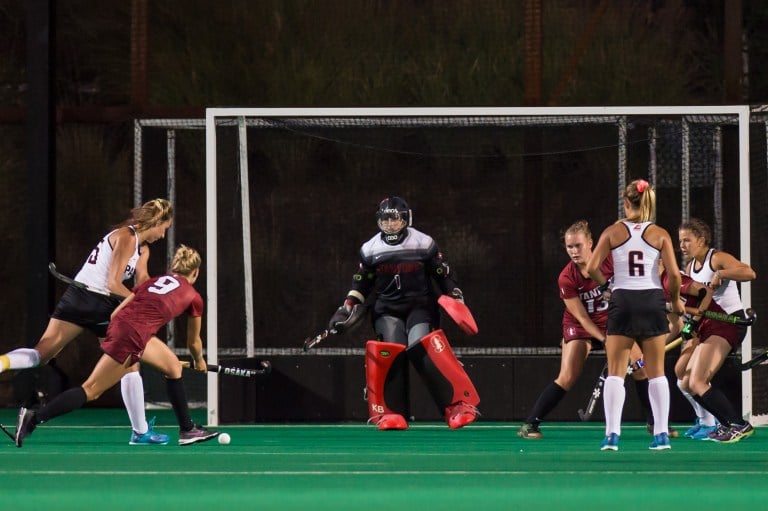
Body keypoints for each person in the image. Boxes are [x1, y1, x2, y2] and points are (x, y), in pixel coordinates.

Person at [0, 198, 174, 445]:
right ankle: (140, 431)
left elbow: (141, 280)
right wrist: (143, 304)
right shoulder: (126, 237)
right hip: (99, 303)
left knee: (43, 353)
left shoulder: (143, 248)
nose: (163, 234)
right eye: (164, 228)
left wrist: (152, 292)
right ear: (156, 222)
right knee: (129, 361)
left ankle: (2, 362)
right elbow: (114, 283)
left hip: (77, 299)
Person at [15, 245, 218, 447]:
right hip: (134, 336)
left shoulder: (152, 282)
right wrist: (199, 361)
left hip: (123, 326)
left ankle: (187, 429)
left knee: (172, 367)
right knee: (91, 389)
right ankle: (34, 418)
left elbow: (116, 314)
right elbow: (193, 342)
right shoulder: (193, 296)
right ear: (196, 272)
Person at [328, 196, 479, 430]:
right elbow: (361, 285)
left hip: (420, 307)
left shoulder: (424, 243)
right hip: (387, 309)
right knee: (392, 352)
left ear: (406, 219)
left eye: (395, 219)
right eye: (385, 219)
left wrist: (456, 297)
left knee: (422, 347)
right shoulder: (370, 250)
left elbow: (442, 274)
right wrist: (345, 308)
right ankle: (389, 413)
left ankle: (457, 405)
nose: (390, 224)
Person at [517, 220, 675, 439]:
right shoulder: (566, 277)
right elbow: (581, 317)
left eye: (578, 246)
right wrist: (604, 338)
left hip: (613, 321)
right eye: (569, 247)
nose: (573, 251)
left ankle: (654, 423)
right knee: (568, 375)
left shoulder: (610, 261)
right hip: (580, 325)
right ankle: (530, 424)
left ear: (590, 242)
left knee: (641, 367)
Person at [586, 179, 685, 451]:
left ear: (626, 202)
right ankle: (661, 435)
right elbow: (674, 275)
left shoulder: (612, 231)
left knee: (617, 373)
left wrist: (607, 286)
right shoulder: (661, 234)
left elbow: (592, 268)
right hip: (652, 301)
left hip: (623, 300)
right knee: (656, 373)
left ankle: (611, 436)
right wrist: (675, 303)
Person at [675, 218, 756, 443]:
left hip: (729, 322)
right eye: (680, 240)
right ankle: (726, 424)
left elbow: (749, 273)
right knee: (685, 380)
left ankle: (739, 424)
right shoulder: (690, 267)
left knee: (698, 380)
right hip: (709, 325)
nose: (682, 245)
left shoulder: (717, 258)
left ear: (701, 240)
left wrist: (722, 274)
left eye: (687, 240)